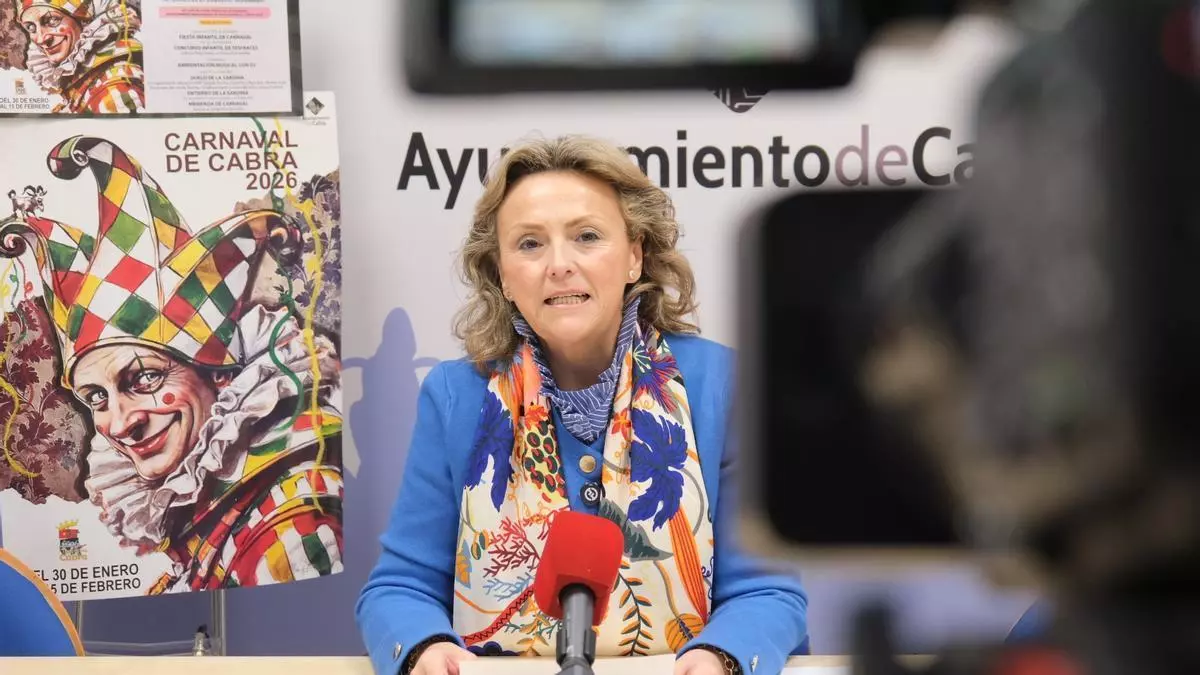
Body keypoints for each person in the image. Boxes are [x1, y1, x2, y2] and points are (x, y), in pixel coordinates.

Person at [356, 135, 809, 675]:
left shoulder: (721, 383)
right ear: (502, 273)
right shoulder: (456, 395)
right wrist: (423, 646)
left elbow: (767, 591)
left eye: (587, 237)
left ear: (635, 255)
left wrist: (721, 658)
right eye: (529, 244)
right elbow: (400, 588)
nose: (559, 264)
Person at [0, 135, 343, 593]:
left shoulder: (291, 531)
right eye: (96, 397)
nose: (120, 423)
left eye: (144, 378)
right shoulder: (207, 513)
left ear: (223, 375)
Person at [15, 0, 145, 113]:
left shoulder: (114, 88)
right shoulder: (81, 80)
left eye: (53, 20)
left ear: (84, 20)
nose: (41, 39)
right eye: (31, 27)